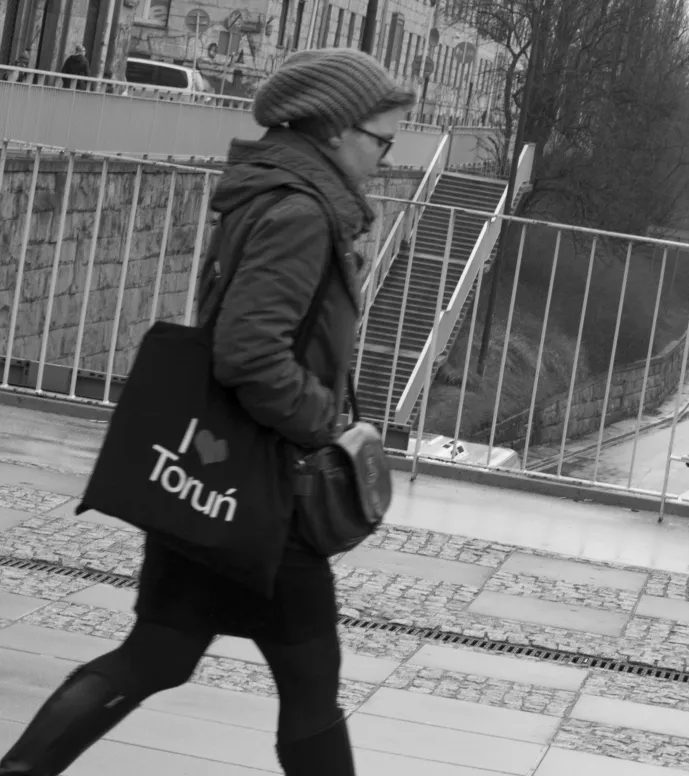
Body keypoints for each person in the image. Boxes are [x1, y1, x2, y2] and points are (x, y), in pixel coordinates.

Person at [0, 48, 413, 776]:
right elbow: (249, 352)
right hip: (265, 495)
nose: (384, 156)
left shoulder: (270, 193)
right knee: (311, 689)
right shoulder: (302, 214)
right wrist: (329, 425)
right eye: (380, 139)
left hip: (211, 481)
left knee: (157, 653)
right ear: (336, 129)